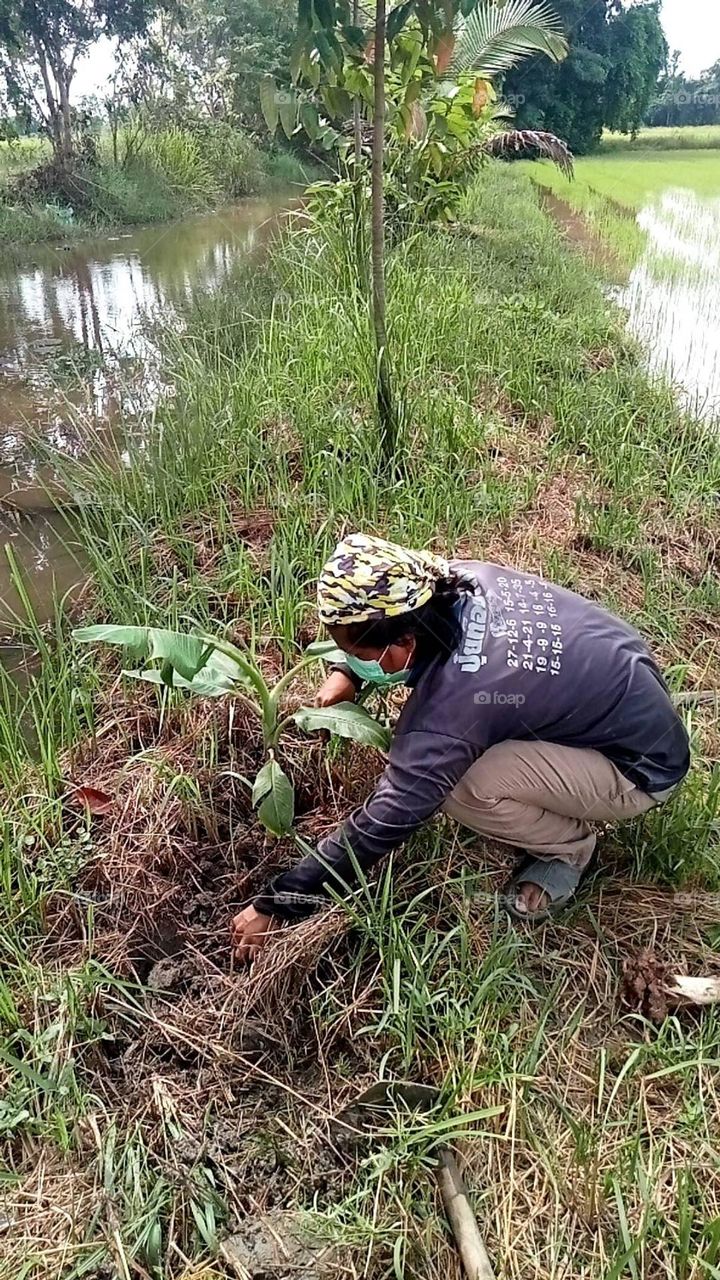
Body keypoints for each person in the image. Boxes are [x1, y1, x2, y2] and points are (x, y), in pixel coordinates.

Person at [232, 533, 690, 961]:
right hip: (629, 685)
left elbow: (387, 820)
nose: (351, 658)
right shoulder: (454, 579)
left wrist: (281, 903)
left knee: (461, 785)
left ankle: (567, 850)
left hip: (639, 767)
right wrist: (347, 671)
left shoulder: (453, 706)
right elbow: (379, 624)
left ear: (405, 640)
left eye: (359, 655)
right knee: (486, 730)